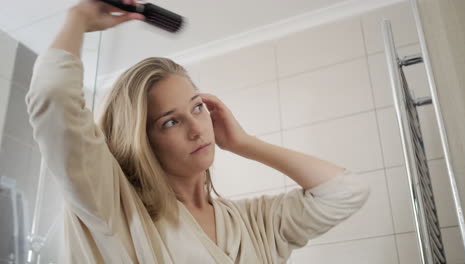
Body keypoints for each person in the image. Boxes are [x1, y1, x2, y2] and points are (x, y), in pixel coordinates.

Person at [25, 0, 370, 263]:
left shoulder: (253, 222)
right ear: (142, 140)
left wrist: (245, 143)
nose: (196, 128)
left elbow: (347, 192)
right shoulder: (115, 208)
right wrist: (80, 17)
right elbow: (53, 95)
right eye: (170, 121)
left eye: (197, 107)